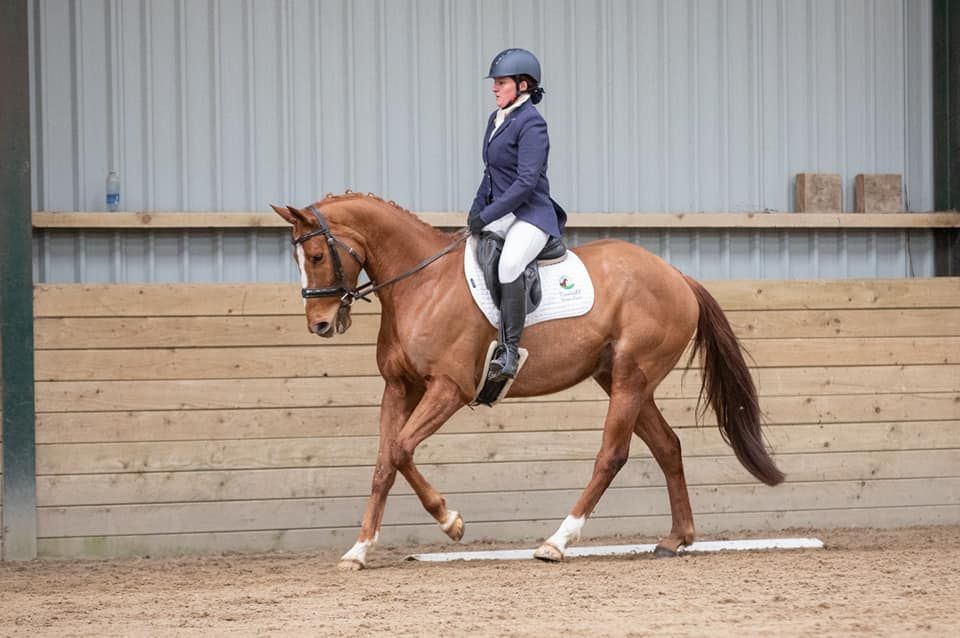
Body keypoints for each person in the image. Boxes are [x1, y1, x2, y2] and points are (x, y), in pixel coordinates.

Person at [468, 48, 567, 383]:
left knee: (510, 263)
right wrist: (476, 211)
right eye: (494, 83)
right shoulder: (495, 119)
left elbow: (525, 183)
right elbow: (491, 173)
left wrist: (490, 213)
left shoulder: (532, 124)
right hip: (505, 211)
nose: (494, 88)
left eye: (501, 82)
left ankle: (509, 350)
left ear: (522, 85)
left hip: (532, 214)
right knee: (470, 248)